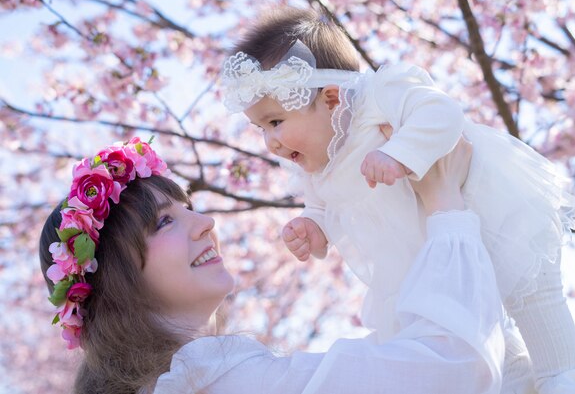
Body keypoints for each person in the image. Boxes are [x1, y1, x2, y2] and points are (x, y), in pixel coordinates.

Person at [220, 7, 575, 394]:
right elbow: (323, 204)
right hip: (435, 253)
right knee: (475, 328)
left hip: (496, 213)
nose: (270, 142)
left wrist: (401, 152)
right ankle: (516, 384)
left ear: (331, 98)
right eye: (260, 128)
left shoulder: (380, 95)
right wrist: (314, 226)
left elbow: (440, 111)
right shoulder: (318, 165)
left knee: (533, 295)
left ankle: (559, 378)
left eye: (276, 122)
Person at [39, 135, 506, 393]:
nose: (206, 222)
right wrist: (446, 210)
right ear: (115, 281)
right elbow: (453, 371)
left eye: (188, 207)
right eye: (164, 222)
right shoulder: (214, 381)